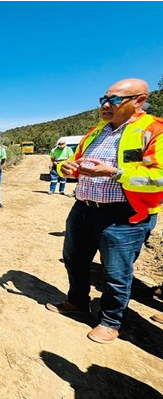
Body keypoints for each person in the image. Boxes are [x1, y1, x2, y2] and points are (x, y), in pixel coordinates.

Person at [45, 78, 163, 344]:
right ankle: (77, 302)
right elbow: (76, 161)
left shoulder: (154, 131)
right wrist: (69, 168)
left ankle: (110, 321)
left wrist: (115, 172)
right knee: (74, 260)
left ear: (139, 101)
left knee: (116, 272)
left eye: (115, 100)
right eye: (104, 99)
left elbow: (160, 177)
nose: (106, 105)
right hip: (83, 208)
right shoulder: (97, 130)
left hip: (124, 216)